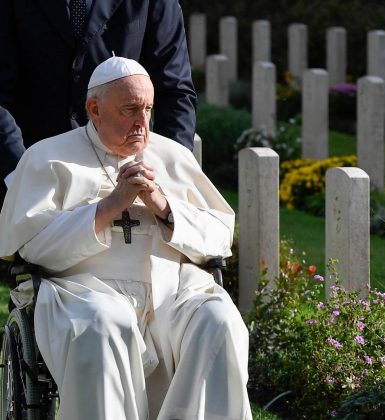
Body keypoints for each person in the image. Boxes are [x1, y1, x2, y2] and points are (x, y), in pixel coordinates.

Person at [0, 56, 252, 420]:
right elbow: (32, 245)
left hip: (173, 292)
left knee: (219, 319)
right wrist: (108, 208)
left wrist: (165, 207)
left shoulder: (174, 156)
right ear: (94, 109)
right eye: (130, 108)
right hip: (83, 290)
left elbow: (220, 236)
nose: (142, 121)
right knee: (104, 323)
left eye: (148, 109)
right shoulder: (48, 158)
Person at [0, 0, 196, 203]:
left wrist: (166, 177)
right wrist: (19, 175)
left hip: (126, 175)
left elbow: (174, 91)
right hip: (27, 170)